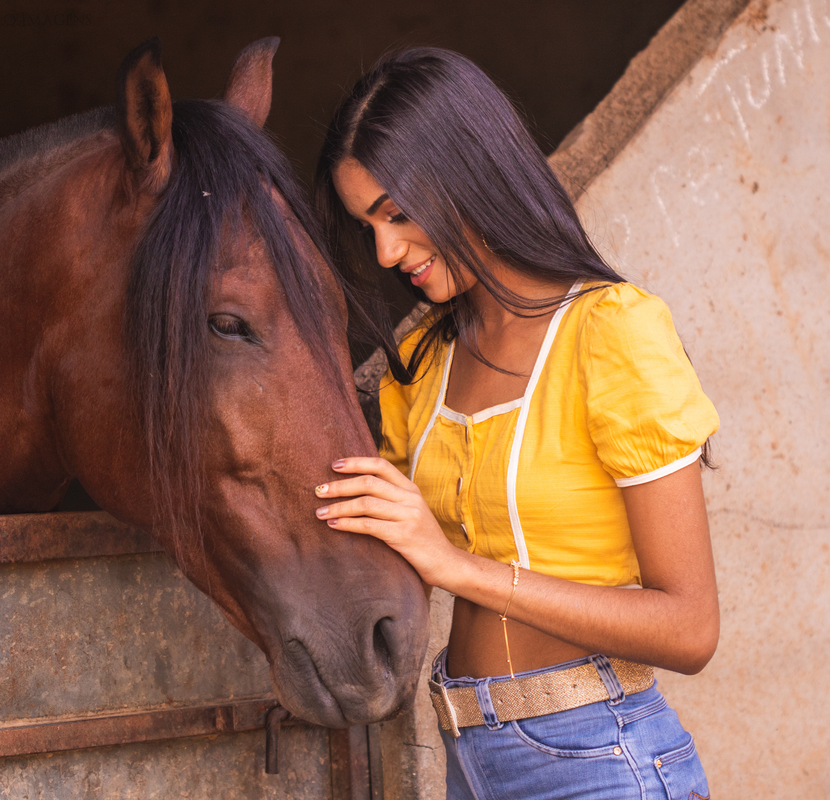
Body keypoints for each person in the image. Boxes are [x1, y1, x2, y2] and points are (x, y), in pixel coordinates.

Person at [312, 47, 720, 800]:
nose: (386, 251)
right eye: (364, 225)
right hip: (468, 757)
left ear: (470, 174)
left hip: (600, 758)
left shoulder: (610, 332)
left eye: (397, 214)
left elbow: (691, 629)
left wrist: (457, 569)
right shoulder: (422, 359)